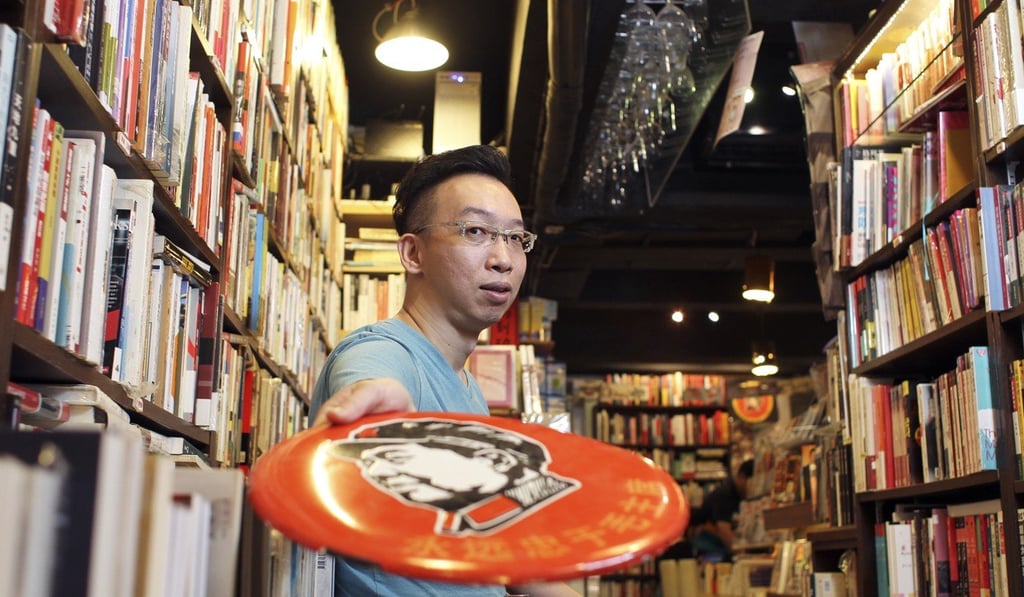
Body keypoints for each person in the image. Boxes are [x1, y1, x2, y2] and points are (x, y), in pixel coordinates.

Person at [309, 145, 580, 597]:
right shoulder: (382, 351)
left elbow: (497, 547)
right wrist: (379, 410)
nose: (504, 259)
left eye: (515, 238)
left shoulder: (469, 389)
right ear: (413, 253)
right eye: (475, 230)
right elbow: (372, 387)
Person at [687, 459, 754, 560]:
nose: (755, 487)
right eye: (753, 483)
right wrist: (744, 555)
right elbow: (724, 531)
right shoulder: (725, 495)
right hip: (709, 548)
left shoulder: (735, 493)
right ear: (742, 477)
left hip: (714, 546)